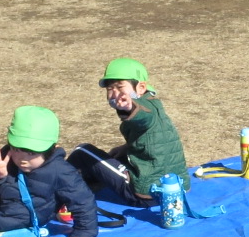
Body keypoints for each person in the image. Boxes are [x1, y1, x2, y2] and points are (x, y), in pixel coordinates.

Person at [0, 106, 97, 237]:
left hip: (6, 230)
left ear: (50, 149)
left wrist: (83, 233)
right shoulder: (4, 157)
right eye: (16, 149)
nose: (22, 159)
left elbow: (83, 201)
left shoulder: (60, 171)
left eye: (31, 152)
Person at [70, 57, 190, 206]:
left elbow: (143, 115)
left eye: (120, 87)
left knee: (83, 151)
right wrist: (125, 148)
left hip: (145, 194)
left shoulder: (145, 108)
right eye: (109, 89)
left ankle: (57, 186)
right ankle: (87, 181)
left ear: (140, 88)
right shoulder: (156, 106)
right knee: (115, 157)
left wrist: (130, 106)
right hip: (174, 190)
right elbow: (154, 138)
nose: (114, 93)